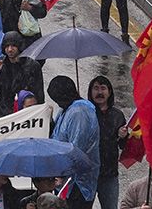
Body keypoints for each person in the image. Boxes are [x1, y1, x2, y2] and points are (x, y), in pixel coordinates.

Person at [48, 76, 99, 209]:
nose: (58, 103)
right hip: (65, 179)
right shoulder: (66, 109)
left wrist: (62, 173)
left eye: (58, 99)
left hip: (78, 183)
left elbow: (76, 150)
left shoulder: (79, 113)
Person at [86, 76, 126, 209]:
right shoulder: (85, 113)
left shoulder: (117, 115)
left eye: (103, 88)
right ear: (90, 92)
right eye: (96, 88)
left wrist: (124, 136)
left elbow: (123, 145)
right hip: (87, 173)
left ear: (109, 92)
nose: (99, 92)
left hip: (109, 174)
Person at [0, 32, 44, 117]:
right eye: (7, 46)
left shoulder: (32, 66)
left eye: (13, 46)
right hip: (4, 115)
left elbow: (38, 94)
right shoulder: (0, 66)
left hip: (26, 114)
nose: (10, 49)